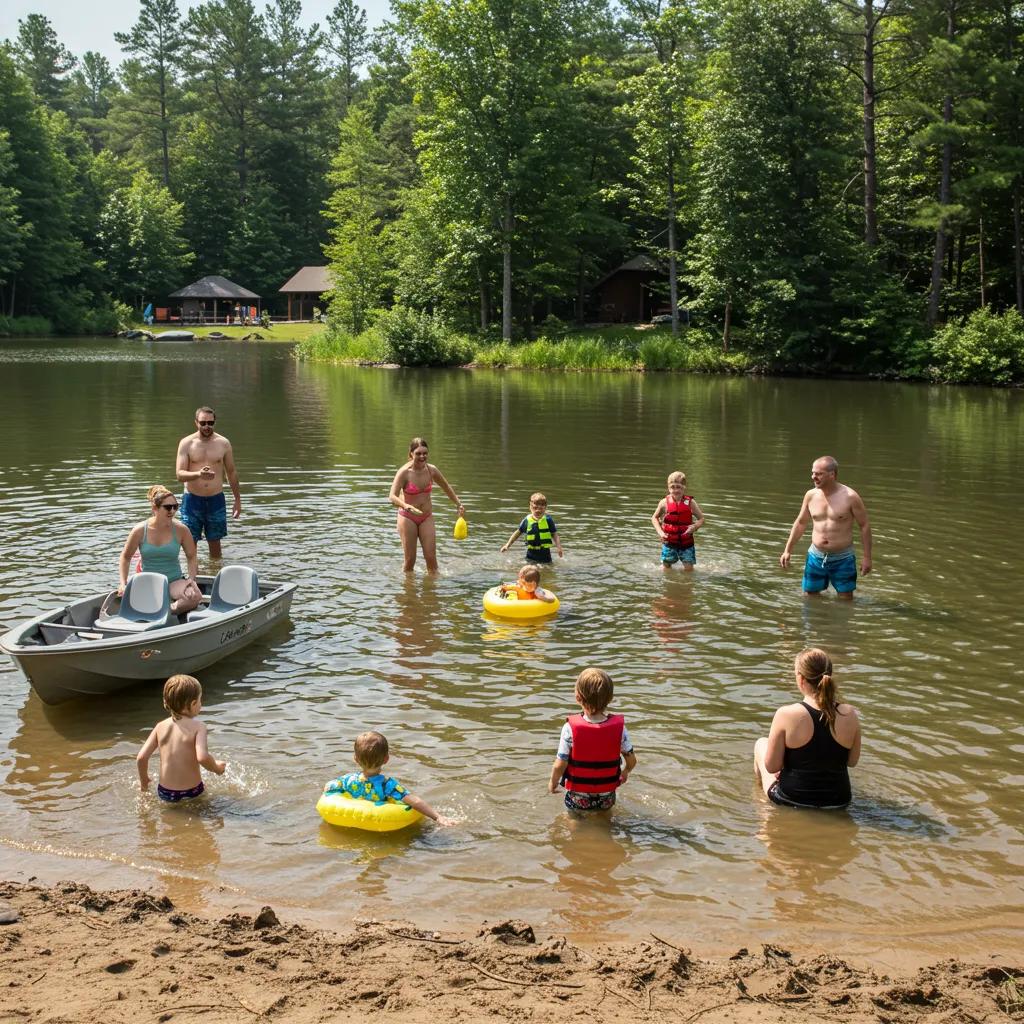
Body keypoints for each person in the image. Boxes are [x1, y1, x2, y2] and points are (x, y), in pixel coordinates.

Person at [753, 648, 861, 809]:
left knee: (761, 744)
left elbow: (772, 767)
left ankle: (764, 812)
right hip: (840, 801)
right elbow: (852, 761)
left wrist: (784, 766)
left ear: (801, 679)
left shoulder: (786, 714)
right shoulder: (850, 713)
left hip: (793, 799)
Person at [779, 456, 872, 598]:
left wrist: (867, 557)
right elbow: (801, 523)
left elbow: (864, 525)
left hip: (843, 558)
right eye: (813, 473)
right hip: (815, 556)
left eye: (818, 474)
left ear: (832, 474)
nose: (813, 477)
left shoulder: (850, 497)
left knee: (845, 599)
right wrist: (787, 550)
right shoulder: (810, 495)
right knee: (810, 596)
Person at [549, 668, 637, 814]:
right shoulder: (620, 729)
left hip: (578, 795)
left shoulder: (569, 728)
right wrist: (626, 771)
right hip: (607, 794)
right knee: (605, 820)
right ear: (610, 699)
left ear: (578, 697)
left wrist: (552, 783)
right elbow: (632, 760)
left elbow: (560, 764)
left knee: (573, 820)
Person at [323, 731, 455, 826]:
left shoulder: (349, 780)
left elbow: (330, 786)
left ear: (355, 759)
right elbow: (414, 801)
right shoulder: (388, 785)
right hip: (380, 823)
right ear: (386, 759)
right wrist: (438, 817)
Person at [137, 675, 226, 802]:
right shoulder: (199, 727)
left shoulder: (160, 726)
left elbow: (141, 757)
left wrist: (144, 782)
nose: (201, 704)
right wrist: (217, 768)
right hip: (192, 792)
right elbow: (202, 758)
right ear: (193, 703)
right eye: (200, 700)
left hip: (164, 792)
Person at [118, 485, 202, 615]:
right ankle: (159, 609)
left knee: (195, 596)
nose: (172, 511)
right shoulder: (139, 530)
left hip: (174, 582)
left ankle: (167, 610)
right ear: (154, 508)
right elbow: (125, 557)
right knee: (126, 594)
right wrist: (123, 584)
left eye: (175, 507)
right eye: (168, 507)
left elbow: (191, 556)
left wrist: (191, 580)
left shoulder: (182, 530)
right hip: (148, 582)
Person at [388, 437, 465, 572]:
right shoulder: (404, 473)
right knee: (410, 560)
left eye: (425, 453)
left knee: (431, 558)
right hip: (407, 517)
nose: (422, 456)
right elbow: (392, 496)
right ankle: (408, 590)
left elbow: (446, 486)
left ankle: (431, 590)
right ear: (411, 453)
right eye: (418, 453)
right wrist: (406, 506)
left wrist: (458, 504)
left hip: (426, 517)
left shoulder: (432, 470)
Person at [175, 406, 241, 559]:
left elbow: (231, 472)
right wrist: (199, 474)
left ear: (214, 423)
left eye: (210, 423)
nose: (207, 427)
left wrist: (237, 499)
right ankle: (193, 579)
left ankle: (215, 573)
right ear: (196, 422)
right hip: (192, 499)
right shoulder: (186, 443)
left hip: (215, 499)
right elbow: (179, 474)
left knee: (215, 542)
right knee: (190, 542)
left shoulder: (223, 443)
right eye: (203, 423)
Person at [651, 471, 705, 569]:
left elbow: (701, 518)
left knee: (689, 569)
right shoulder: (664, 503)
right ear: (668, 488)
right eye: (672, 487)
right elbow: (654, 518)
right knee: (665, 567)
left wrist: (695, 526)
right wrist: (660, 533)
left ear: (684, 487)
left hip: (686, 543)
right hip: (669, 542)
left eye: (678, 487)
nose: (675, 490)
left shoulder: (691, 503)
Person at [501, 492, 564, 563]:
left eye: (541, 508)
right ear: (530, 507)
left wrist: (559, 547)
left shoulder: (548, 520)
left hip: (545, 553)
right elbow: (517, 533)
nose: (538, 510)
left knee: (547, 568)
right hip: (531, 553)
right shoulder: (527, 520)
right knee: (529, 570)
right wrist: (507, 545)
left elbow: (554, 534)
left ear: (545, 508)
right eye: (535, 508)